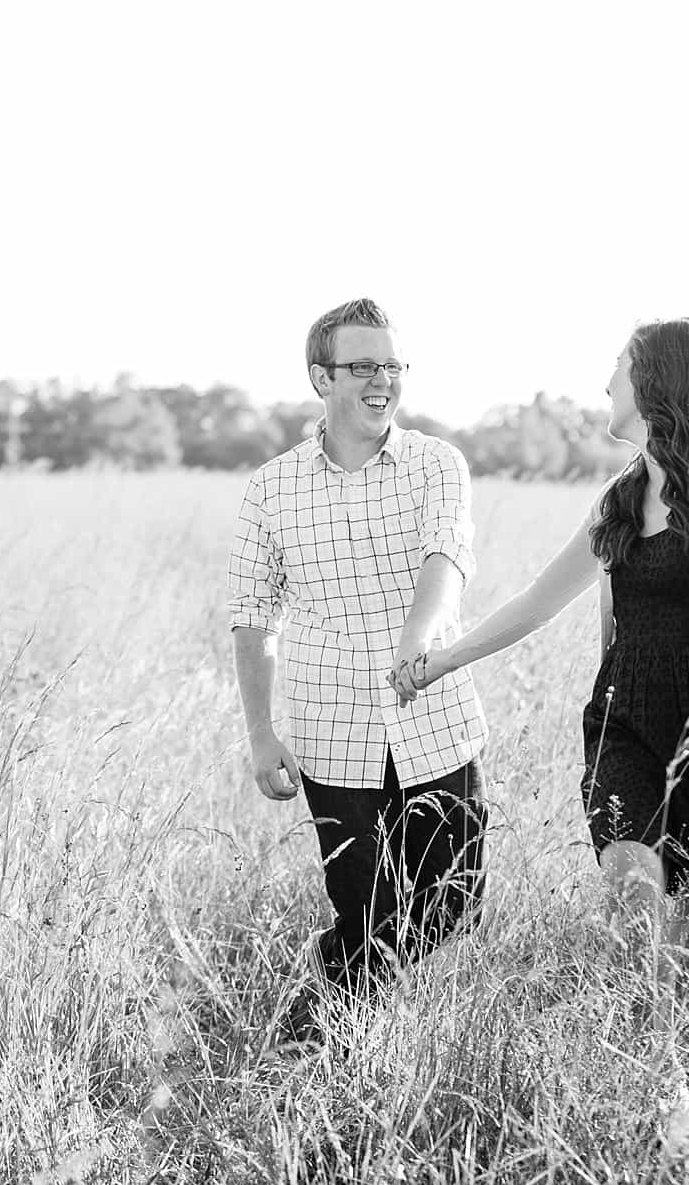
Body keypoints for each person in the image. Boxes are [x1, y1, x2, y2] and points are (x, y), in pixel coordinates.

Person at [390, 317, 689, 992]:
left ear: (654, 379)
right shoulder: (621, 494)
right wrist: (442, 660)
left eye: (619, 366)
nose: (606, 381)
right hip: (627, 721)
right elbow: (537, 600)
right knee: (629, 889)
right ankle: (635, 1025)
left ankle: (676, 1073)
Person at [228, 297, 489, 1001]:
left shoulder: (437, 462)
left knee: (454, 903)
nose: (383, 379)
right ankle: (342, 1039)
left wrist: (417, 634)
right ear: (322, 376)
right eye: (364, 365)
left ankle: (406, 1022)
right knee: (364, 913)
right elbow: (253, 617)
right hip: (333, 734)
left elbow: (447, 553)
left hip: (435, 723)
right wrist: (261, 734)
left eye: (393, 365)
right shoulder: (271, 488)